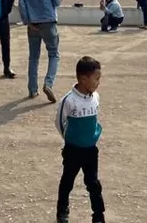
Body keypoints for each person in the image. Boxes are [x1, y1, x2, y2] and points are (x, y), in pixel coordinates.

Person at [55, 56, 105, 223]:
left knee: (94, 184)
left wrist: (93, 135)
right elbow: (59, 123)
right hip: (73, 151)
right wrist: (70, 139)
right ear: (83, 79)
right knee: (67, 182)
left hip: (91, 151)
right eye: (96, 79)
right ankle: (62, 212)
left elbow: (94, 120)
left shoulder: (95, 97)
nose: (98, 82)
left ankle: (98, 215)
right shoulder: (69, 100)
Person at [19, 0, 61, 102]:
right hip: (48, 20)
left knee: (33, 57)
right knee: (54, 54)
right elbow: (55, 1)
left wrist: (27, 21)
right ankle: (48, 83)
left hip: (33, 23)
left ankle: (32, 89)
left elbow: (22, 4)